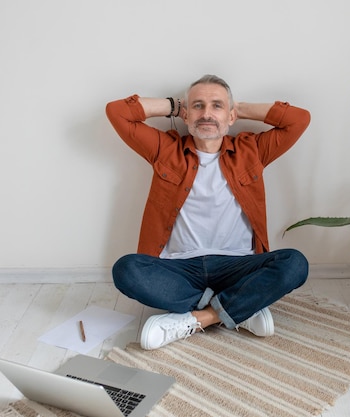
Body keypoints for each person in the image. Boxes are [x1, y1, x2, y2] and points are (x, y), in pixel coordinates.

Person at [106, 74, 311, 350]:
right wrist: (174, 107)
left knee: (295, 263)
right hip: (179, 267)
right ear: (187, 116)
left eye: (216, 106)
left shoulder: (252, 151)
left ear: (230, 116)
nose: (207, 114)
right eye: (198, 106)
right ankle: (239, 309)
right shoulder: (165, 149)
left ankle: (200, 318)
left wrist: (238, 109)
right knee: (126, 270)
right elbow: (117, 112)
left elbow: (299, 119)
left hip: (238, 265)